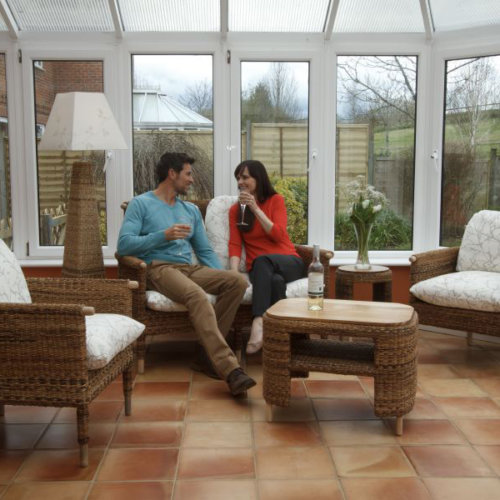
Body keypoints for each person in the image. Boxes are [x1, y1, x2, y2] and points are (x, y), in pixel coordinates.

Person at [117, 152, 256, 396]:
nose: (192, 180)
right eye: (188, 174)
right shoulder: (140, 204)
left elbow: (204, 251)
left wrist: (220, 278)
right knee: (197, 296)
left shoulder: (189, 210)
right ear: (172, 174)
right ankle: (230, 369)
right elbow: (124, 245)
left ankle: (205, 355)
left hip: (189, 269)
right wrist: (163, 236)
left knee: (236, 282)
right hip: (159, 268)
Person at [228, 160, 305, 354]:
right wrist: (234, 272)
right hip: (261, 270)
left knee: (263, 261)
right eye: (238, 178)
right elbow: (235, 244)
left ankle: (259, 320)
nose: (240, 182)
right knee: (275, 281)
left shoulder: (276, 200)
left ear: (258, 178)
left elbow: (278, 235)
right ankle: (282, 340)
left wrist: (255, 208)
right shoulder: (235, 211)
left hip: (289, 262)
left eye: (245, 177)